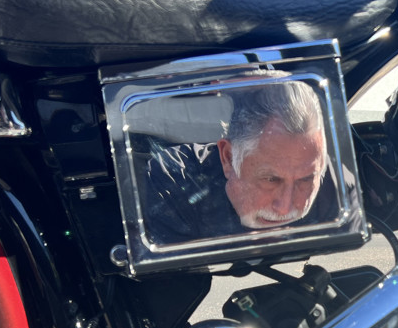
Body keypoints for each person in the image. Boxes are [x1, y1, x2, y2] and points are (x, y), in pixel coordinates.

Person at [142, 78, 339, 243]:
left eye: (305, 179)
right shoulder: (177, 181)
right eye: (271, 179)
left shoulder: (338, 189)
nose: (285, 207)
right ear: (228, 158)